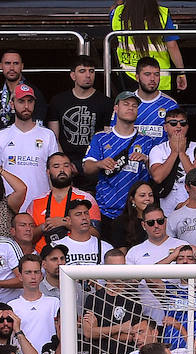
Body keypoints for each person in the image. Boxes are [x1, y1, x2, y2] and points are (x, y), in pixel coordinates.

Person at [46, 56, 112, 189]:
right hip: (66, 165)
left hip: (94, 164)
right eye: (82, 71)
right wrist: (66, 164)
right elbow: (54, 139)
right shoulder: (58, 101)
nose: (88, 75)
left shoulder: (105, 102)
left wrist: (93, 164)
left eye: (91, 71)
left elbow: (107, 139)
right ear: (73, 75)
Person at [0, 85, 56, 214]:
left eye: (30, 101)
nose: (26, 106)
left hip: (41, 207)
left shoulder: (47, 135)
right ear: (12, 104)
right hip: (10, 207)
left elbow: (54, 173)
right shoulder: (2, 136)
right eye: (21, 101)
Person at [110, 1, 188, 92]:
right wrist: (181, 73)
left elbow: (112, 12)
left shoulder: (117, 13)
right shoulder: (162, 13)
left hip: (128, 75)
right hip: (158, 78)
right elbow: (172, 46)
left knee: (131, 105)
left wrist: (119, 2)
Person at [30, 154, 100, 253]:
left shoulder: (86, 198)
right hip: (43, 261)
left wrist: (66, 223)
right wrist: (44, 226)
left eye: (66, 166)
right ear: (48, 172)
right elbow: (27, 237)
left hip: (77, 258)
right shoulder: (36, 202)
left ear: (71, 169)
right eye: (56, 166)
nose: (62, 170)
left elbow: (96, 234)